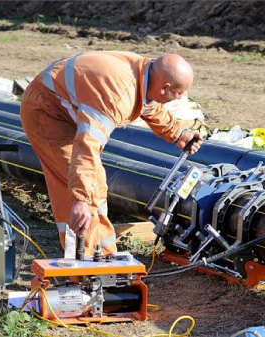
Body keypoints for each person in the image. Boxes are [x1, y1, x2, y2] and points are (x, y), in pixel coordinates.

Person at [20, 51, 203, 256]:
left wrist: (178, 133)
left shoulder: (145, 74)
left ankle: (105, 257)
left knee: (97, 185)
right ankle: (85, 267)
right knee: (80, 194)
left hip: (63, 103)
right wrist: (80, 198)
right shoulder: (117, 94)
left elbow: (148, 105)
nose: (180, 97)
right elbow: (87, 147)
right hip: (46, 110)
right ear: (165, 87)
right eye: (179, 92)